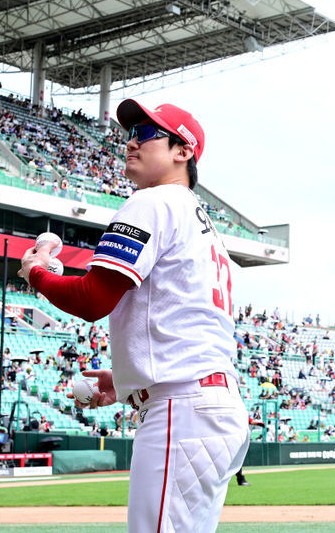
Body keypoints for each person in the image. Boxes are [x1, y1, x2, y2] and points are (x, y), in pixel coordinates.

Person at [19, 100, 249, 533]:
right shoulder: (203, 223)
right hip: (208, 403)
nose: (131, 142)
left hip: (182, 410)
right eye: (130, 133)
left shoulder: (154, 202)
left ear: (183, 151)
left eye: (146, 133)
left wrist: (36, 275)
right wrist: (124, 381)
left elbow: (92, 298)